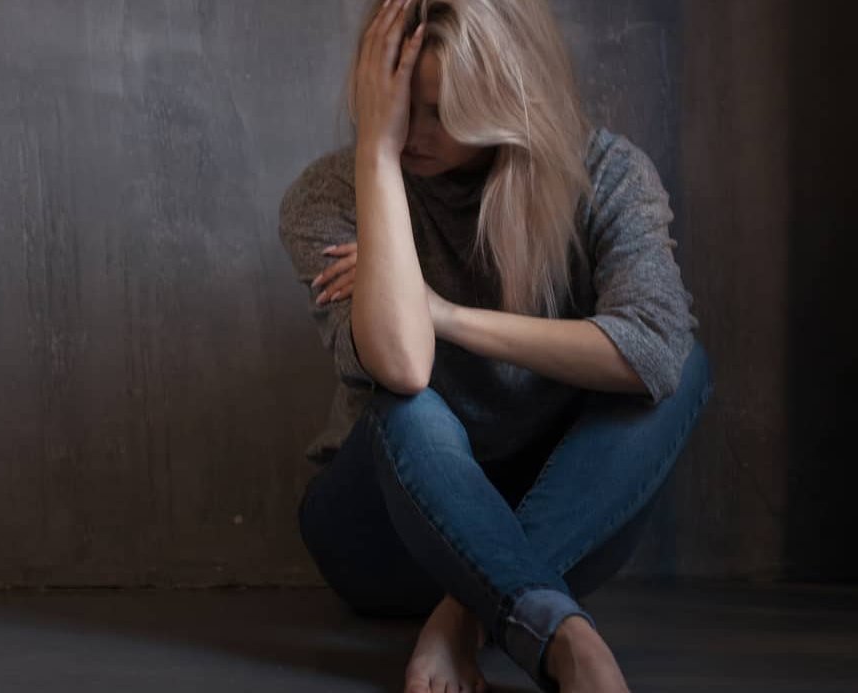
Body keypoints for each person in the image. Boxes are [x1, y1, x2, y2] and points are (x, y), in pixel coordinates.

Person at [277, 0, 713, 691]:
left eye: (437, 110)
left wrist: (443, 313)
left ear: (504, 92)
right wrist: (375, 154)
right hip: (386, 527)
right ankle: (562, 636)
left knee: (682, 370)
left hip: (558, 512)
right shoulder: (328, 194)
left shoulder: (606, 175)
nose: (411, 132)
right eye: (393, 107)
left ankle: (469, 614)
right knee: (408, 404)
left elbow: (656, 349)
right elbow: (401, 362)